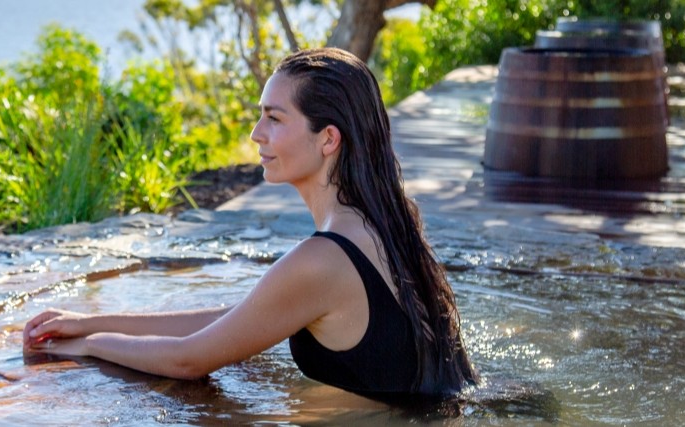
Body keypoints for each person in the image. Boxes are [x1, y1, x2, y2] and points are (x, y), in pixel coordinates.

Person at [23, 47, 478, 400]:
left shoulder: (324, 259)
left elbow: (189, 360)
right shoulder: (388, 223)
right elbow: (241, 320)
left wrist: (83, 346)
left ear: (328, 139)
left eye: (274, 118)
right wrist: (88, 322)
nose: (256, 134)